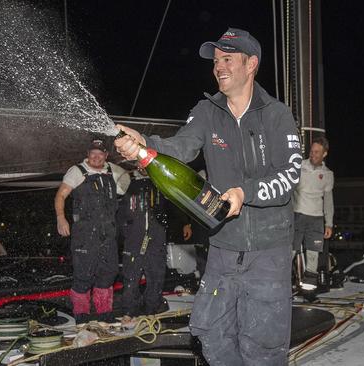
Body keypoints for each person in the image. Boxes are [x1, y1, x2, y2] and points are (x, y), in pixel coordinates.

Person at [115, 28, 302, 365]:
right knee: (210, 333)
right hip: (222, 248)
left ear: (251, 64)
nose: (219, 66)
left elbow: (289, 175)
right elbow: (180, 147)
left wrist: (246, 192)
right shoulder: (205, 111)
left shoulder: (277, 115)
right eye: (216, 61)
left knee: (262, 346)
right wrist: (143, 143)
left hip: (268, 251)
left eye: (227, 59)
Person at [54, 139, 130, 324]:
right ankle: (82, 316)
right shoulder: (77, 171)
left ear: (106, 155)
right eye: (92, 153)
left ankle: (104, 315)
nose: (96, 157)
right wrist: (60, 218)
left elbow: (127, 182)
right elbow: (61, 195)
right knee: (83, 274)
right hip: (85, 234)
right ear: (88, 154)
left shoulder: (113, 172)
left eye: (100, 153)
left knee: (108, 273)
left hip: (108, 234)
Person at [117, 168, 168, 324]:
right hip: (134, 239)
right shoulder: (127, 183)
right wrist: (127, 232)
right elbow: (120, 214)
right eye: (139, 163)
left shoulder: (161, 182)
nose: (143, 167)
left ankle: (151, 310)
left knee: (156, 276)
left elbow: (171, 210)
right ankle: (129, 311)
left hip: (156, 238)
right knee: (131, 277)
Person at [292, 137, 334, 281]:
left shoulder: (328, 174)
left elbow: (328, 201)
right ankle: (282, 289)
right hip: (297, 215)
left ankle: (309, 292)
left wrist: (329, 223)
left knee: (313, 255)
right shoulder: (298, 166)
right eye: (312, 151)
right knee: (290, 252)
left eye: (317, 152)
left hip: (316, 219)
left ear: (324, 154)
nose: (313, 154)